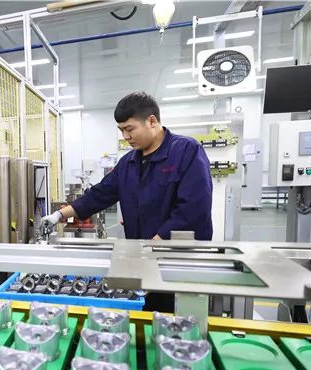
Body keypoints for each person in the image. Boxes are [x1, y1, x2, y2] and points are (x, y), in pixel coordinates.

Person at [40, 91, 213, 312]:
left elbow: (194, 207)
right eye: (121, 130)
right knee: (147, 313)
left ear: (152, 121)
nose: (125, 136)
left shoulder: (186, 151)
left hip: (178, 261)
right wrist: (59, 215)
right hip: (143, 258)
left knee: (178, 317)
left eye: (130, 129)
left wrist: (155, 242)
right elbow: (100, 193)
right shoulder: (128, 162)